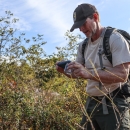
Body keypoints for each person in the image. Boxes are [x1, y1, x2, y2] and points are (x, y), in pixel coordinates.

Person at [56, 3, 130, 130]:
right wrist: (64, 71)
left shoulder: (115, 39)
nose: (81, 29)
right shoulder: (83, 46)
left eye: (83, 24)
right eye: (78, 26)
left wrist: (89, 73)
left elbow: (122, 75)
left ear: (95, 17)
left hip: (114, 102)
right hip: (92, 102)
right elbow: (78, 73)